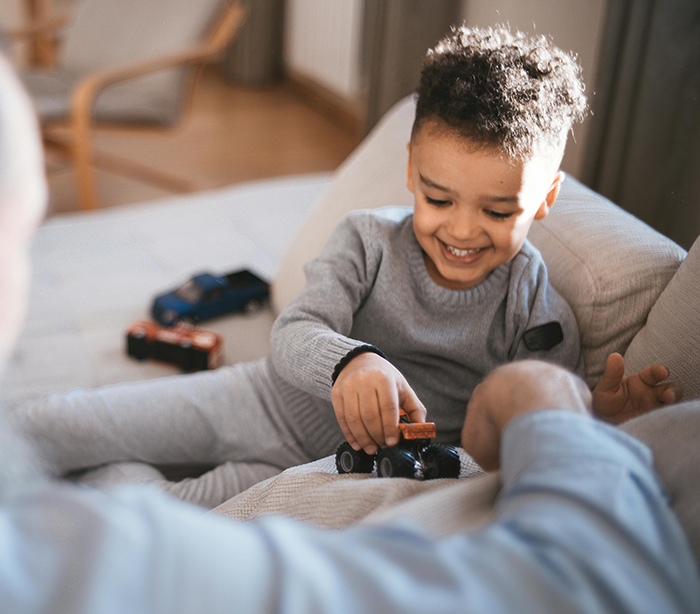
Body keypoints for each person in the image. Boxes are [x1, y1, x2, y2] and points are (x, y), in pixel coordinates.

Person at [1, 52, 699, 611]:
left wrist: (597, 414)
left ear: (545, 199)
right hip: (264, 398)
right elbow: (296, 330)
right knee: (60, 425)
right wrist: (352, 362)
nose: (460, 229)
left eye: (496, 211)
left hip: (327, 472)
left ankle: (107, 492)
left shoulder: (537, 307)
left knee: (165, 522)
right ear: (410, 172)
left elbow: (521, 433)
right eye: (437, 198)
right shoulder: (367, 239)